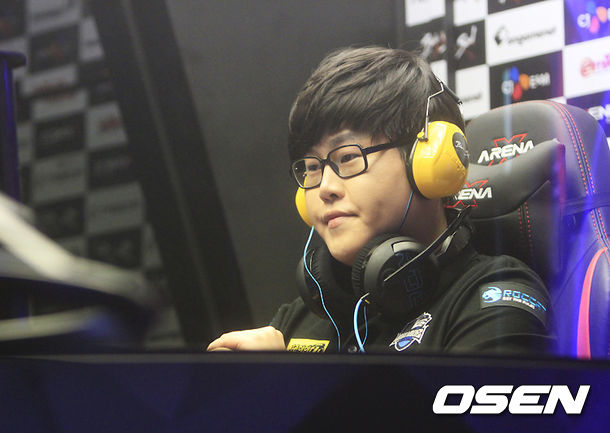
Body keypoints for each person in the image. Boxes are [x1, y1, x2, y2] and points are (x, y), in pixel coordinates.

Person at [207, 46, 553, 354]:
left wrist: (283, 389)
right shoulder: (304, 316)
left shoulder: (495, 301)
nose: (325, 187)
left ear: (428, 161)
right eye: (312, 167)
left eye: (347, 157)